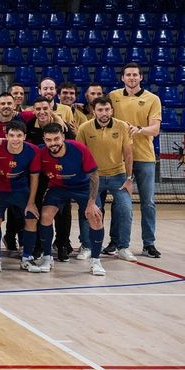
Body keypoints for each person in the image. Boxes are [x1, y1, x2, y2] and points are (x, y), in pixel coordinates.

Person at [107, 63, 162, 258]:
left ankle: (149, 243)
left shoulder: (152, 99)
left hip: (145, 157)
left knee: (147, 202)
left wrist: (139, 129)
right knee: (119, 202)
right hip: (121, 159)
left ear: (141, 78)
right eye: (128, 75)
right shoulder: (113, 96)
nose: (131, 78)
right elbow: (100, 111)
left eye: (135, 75)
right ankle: (115, 242)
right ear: (122, 78)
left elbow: (155, 129)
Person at [37, 123, 106, 276]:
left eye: (56, 139)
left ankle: (96, 261)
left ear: (63, 137)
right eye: (49, 140)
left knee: (95, 217)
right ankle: (47, 257)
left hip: (83, 187)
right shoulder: (40, 152)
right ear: (44, 139)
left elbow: (94, 175)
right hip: (58, 188)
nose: (53, 143)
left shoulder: (78, 148)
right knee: (45, 216)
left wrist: (92, 202)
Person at [77, 97, 137, 263]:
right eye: (100, 110)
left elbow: (128, 153)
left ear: (112, 110)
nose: (104, 113)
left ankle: (123, 247)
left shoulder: (122, 126)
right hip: (93, 177)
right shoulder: (84, 128)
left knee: (125, 209)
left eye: (107, 109)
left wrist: (129, 178)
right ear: (94, 111)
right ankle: (87, 246)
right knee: (92, 211)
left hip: (118, 175)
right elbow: (79, 155)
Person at [0, 121, 41, 273]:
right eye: (11, 135)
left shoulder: (33, 150)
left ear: (25, 136)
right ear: (6, 136)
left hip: (21, 190)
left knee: (31, 218)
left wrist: (31, 202)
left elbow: (35, 177)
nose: (15, 139)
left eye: (19, 136)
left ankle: (27, 258)